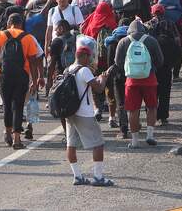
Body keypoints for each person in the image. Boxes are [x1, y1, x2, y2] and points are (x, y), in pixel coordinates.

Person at [0, 13, 42, 149]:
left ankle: (8, 134)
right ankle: (16, 139)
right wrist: (34, 80)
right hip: (21, 75)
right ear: (21, 24)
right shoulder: (27, 38)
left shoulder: (0, 35)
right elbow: (33, 61)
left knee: (7, 106)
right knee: (18, 106)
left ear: (9, 24)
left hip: (4, 75)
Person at [64, 45, 114, 186]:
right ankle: (98, 177)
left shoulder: (68, 69)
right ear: (84, 56)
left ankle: (78, 176)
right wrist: (103, 79)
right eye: (90, 57)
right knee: (98, 143)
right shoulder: (84, 70)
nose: (91, 60)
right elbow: (98, 89)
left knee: (71, 144)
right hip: (84, 113)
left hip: (69, 112)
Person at [114, 19, 164, 148]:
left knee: (133, 110)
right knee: (152, 107)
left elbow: (118, 62)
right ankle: (150, 135)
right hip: (149, 78)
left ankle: (135, 140)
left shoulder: (123, 41)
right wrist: (152, 69)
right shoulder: (151, 40)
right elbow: (160, 60)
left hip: (131, 81)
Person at [146, 4, 181, 126]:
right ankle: (163, 117)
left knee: (152, 91)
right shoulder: (170, 23)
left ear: (153, 13)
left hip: (152, 64)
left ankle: (151, 115)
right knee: (165, 91)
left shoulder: (148, 24)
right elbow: (177, 41)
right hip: (166, 62)